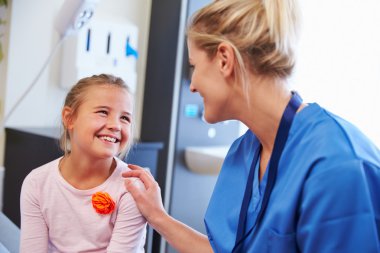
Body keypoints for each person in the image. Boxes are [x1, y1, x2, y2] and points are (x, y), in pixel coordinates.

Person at [122, 0, 380, 252]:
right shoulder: (243, 153)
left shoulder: (339, 165)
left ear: (224, 59)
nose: (193, 84)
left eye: (194, 67)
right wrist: (158, 217)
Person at [20, 74, 147, 252]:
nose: (116, 125)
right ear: (69, 118)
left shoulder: (131, 188)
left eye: (125, 118)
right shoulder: (37, 183)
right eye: (103, 112)